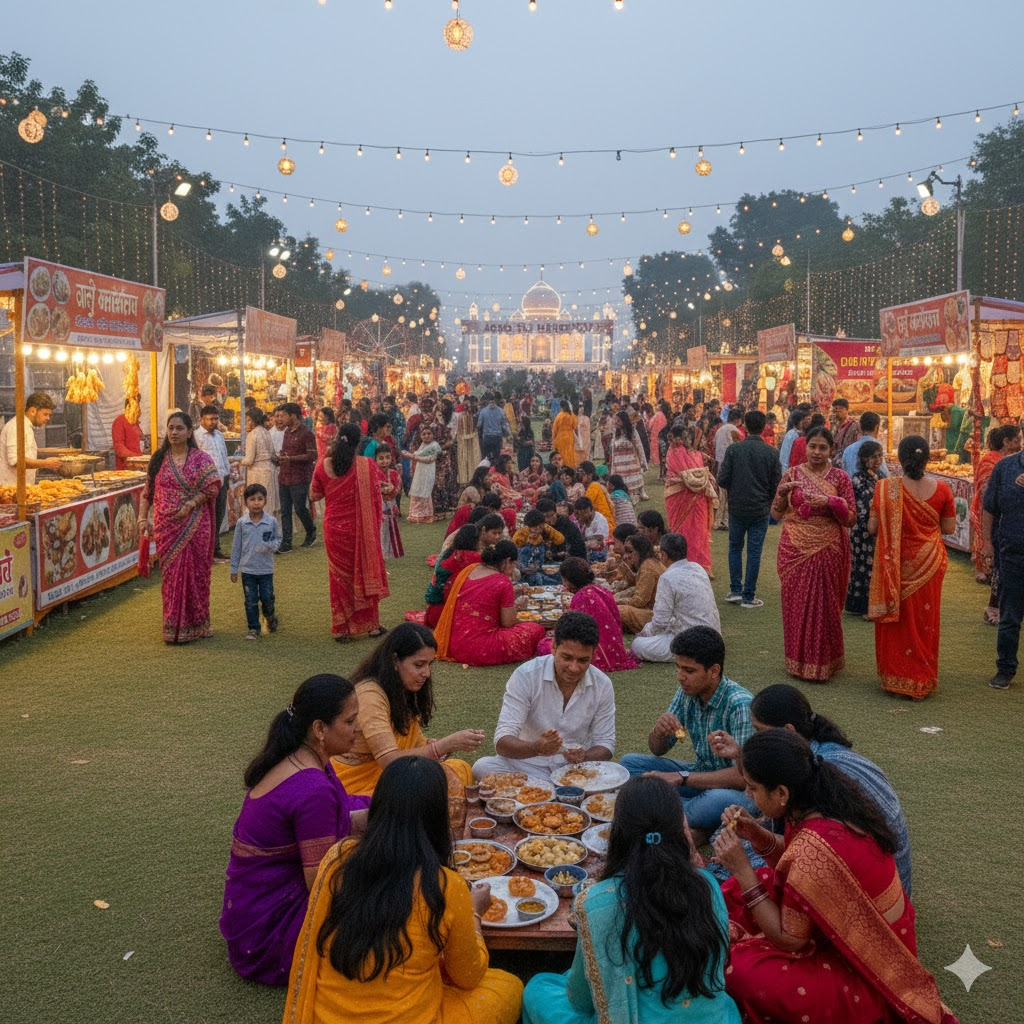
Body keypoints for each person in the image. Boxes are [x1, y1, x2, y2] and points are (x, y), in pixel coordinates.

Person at [712, 731, 958, 1024]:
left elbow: (790, 941)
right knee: (745, 886)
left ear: (781, 793)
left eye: (752, 788)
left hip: (866, 970)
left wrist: (741, 869)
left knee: (741, 972)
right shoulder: (825, 803)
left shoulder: (813, 845)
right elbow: (794, 861)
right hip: (849, 929)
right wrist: (757, 834)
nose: (747, 796)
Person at [285, 757, 523, 1024]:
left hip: (329, 1017)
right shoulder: (446, 884)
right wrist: (474, 913)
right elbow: (468, 976)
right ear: (437, 816)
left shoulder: (338, 859)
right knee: (508, 987)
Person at [522, 776, 740, 1024]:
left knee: (539, 987)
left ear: (618, 834)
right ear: (681, 831)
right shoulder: (708, 885)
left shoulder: (596, 902)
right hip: (714, 1019)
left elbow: (579, 1000)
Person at [220, 674, 370, 986]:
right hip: (271, 937)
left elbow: (338, 822)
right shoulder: (312, 788)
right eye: (350, 720)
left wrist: (390, 811)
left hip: (250, 915)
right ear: (319, 729)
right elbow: (321, 881)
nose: (359, 729)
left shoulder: (304, 760)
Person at [709, 683, 913, 895]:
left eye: (760, 731)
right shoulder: (817, 761)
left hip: (867, 899)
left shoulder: (815, 788)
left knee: (731, 885)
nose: (748, 794)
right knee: (731, 843)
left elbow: (787, 926)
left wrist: (743, 870)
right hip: (880, 886)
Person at [622, 626, 756, 841]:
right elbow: (658, 749)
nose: (680, 677)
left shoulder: (740, 705)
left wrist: (679, 778)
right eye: (679, 668)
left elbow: (743, 777)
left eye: (689, 670)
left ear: (713, 671)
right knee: (630, 764)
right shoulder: (688, 693)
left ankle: (667, 814)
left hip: (737, 791)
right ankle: (695, 824)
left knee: (717, 800)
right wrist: (659, 732)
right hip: (699, 775)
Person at [331, 623, 481, 796]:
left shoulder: (400, 688)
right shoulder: (370, 695)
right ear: (395, 661)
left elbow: (413, 743)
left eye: (429, 665)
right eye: (419, 665)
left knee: (460, 769)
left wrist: (430, 747)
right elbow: (389, 762)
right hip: (359, 784)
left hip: (391, 775)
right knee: (430, 789)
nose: (426, 673)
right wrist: (443, 746)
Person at [472, 611, 616, 779]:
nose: (574, 668)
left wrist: (585, 756)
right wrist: (536, 748)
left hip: (574, 770)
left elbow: (605, 744)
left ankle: (543, 795)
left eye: (583, 660)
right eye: (567, 658)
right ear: (553, 647)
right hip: (527, 764)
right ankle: (554, 794)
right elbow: (502, 742)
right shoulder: (526, 675)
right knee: (482, 767)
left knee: (614, 775)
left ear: (593, 654)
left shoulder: (602, 684)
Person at [868, 435, 956, 699]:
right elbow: (949, 529)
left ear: (900, 459)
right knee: (923, 622)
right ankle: (921, 679)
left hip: (894, 566)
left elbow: (872, 528)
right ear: (927, 458)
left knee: (897, 621)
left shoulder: (884, 488)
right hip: (930, 565)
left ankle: (895, 679)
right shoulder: (942, 489)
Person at [771, 426, 855, 681]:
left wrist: (832, 502)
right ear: (805, 447)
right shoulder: (792, 474)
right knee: (795, 603)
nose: (817, 452)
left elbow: (851, 519)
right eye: (812, 446)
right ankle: (797, 661)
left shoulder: (840, 478)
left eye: (822, 448)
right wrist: (783, 494)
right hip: (794, 547)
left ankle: (822, 663)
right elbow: (775, 514)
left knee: (825, 606)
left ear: (831, 450)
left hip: (828, 546)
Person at [137, 412, 221, 643]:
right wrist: (142, 518)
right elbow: (148, 492)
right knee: (171, 577)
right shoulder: (158, 459)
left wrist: (192, 503)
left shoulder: (201, 459)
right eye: (170, 428)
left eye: (179, 428)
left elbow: (213, 487)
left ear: (189, 431)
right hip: (167, 528)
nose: (174, 432)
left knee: (195, 576)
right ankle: (173, 628)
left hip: (195, 525)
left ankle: (197, 625)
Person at [310, 423, 389, 642]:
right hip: (361, 528)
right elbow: (377, 496)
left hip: (335, 529)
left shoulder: (323, 465)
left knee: (339, 578)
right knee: (365, 570)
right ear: (358, 443)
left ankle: (341, 628)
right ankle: (372, 626)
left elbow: (314, 495)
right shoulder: (367, 466)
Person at [434, 540, 548, 666]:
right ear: (507, 561)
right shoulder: (503, 581)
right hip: (481, 648)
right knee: (536, 629)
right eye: (514, 564)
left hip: (453, 643)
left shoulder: (469, 569)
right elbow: (508, 623)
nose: (514, 568)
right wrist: (518, 611)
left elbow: (483, 601)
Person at [717, 410, 782, 609]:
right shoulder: (771, 452)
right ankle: (748, 595)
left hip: (737, 507)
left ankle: (736, 590)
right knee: (754, 551)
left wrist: (737, 489)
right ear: (763, 428)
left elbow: (722, 479)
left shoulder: (734, 450)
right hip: (760, 508)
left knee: (735, 547)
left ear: (744, 425)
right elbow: (775, 484)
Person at [537, 558, 640, 672]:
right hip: (615, 651)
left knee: (544, 644)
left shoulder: (581, 597)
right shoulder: (601, 590)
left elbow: (573, 632)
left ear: (568, 580)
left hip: (591, 654)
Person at [631, 534, 720, 663]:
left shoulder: (667, 578)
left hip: (691, 644)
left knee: (637, 644)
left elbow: (660, 623)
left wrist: (645, 632)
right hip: (714, 639)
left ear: (664, 555)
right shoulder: (699, 569)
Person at [983, 427, 1024, 690]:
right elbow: (989, 507)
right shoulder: (1005, 468)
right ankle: (1005, 669)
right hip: (1012, 553)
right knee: (1010, 616)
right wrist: (986, 543)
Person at [229, 483, 281, 639]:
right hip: (248, 570)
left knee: (267, 598)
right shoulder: (241, 523)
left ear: (265, 501)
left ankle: (270, 617)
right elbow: (236, 547)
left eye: (260, 499)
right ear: (246, 502)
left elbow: (278, 540)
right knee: (250, 600)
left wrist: (270, 546)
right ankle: (253, 628)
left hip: (266, 570)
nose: (256, 503)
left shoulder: (271, 521)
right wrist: (233, 569)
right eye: (252, 499)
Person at [664, 425, 715, 577]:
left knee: (699, 530)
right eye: (676, 437)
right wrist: (704, 474)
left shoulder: (696, 454)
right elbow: (688, 474)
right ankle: (683, 562)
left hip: (696, 497)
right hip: (679, 496)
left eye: (682, 437)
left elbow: (695, 473)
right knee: (683, 530)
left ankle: (702, 564)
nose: (679, 440)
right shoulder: (675, 452)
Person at [844, 439, 883, 616]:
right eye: (874, 457)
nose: (878, 460)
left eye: (880, 456)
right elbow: (854, 505)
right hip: (860, 530)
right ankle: (858, 605)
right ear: (864, 459)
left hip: (877, 530)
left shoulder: (881, 478)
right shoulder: (857, 479)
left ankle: (872, 604)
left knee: (874, 567)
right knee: (860, 566)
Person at [277, 402, 318, 551]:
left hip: (299, 477)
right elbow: (287, 452)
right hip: (284, 476)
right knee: (285, 510)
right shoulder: (287, 432)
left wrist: (291, 458)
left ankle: (311, 530)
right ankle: (286, 542)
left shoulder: (306, 433)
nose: (281, 419)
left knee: (300, 508)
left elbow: (313, 455)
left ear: (292, 416)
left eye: (284, 415)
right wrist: (282, 457)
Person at [193, 404, 231, 561]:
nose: (213, 422)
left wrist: (227, 476)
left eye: (216, 418)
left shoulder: (219, 436)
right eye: (210, 419)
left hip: (222, 479)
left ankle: (215, 549)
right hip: (206, 484)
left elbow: (223, 456)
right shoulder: (196, 436)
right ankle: (204, 552)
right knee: (206, 518)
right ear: (201, 419)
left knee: (219, 516)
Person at [425, 524, 482, 628]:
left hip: (435, 613)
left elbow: (431, 594)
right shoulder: (478, 559)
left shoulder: (447, 555)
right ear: (476, 541)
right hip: (459, 616)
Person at [0, 391, 61, 485]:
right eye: (45, 414)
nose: (48, 418)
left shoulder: (25, 426)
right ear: (32, 411)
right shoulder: (16, 427)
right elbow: (15, 461)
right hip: (10, 490)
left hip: (22, 488)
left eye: (49, 415)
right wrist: (45, 463)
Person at [616, 533, 666, 634]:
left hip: (656, 615)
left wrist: (616, 601)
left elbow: (639, 601)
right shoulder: (648, 563)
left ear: (640, 551)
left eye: (630, 551)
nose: (626, 556)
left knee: (620, 610)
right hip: (653, 611)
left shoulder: (648, 568)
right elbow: (636, 585)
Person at [240, 407, 279, 518]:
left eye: (248, 421)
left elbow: (249, 460)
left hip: (257, 472)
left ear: (253, 420)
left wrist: (237, 460)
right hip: (269, 470)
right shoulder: (266, 432)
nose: (246, 424)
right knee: (267, 501)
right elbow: (272, 454)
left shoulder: (253, 435)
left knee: (256, 502)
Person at [404, 423, 442, 524]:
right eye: (424, 434)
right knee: (418, 488)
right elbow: (417, 454)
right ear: (420, 436)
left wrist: (412, 457)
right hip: (420, 470)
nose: (426, 436)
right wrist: (412, 456)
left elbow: (430, 459)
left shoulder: (434, 446)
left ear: (433, 435)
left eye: (429, 434)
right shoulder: (423, 445)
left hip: (428, 470)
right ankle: (415, 515)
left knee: (425, 489)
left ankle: (426, 515)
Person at [712, 409, 744, 530]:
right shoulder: (736, 431)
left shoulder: (720, 430)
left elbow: (714, 446)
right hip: (733, 466)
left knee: (721, 495)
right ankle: (726, 521)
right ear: (737, 419)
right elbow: (740, 449)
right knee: (730, 496)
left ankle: (717, 521)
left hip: (721, 465)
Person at [609, 410, 647, 501]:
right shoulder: (616, 432)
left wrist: (643, 462)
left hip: (631, 461)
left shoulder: (632, 431)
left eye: (619, 420)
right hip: (619, 462)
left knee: (634, 479)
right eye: (616, 420)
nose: (616, 423)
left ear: (624, 420)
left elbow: (639, 446)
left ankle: (638, 493)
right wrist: (613, 466)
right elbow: (613, 449)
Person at [841, 410, 890, 479]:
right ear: (877, 427)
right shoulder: (876, 447)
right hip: (869, 488)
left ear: (860, 427)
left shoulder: (848, 449)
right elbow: (885, 475)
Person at [375, 446, 404, 559]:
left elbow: (396, 489)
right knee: (379, 529)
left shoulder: (394, 474)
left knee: (388, 528)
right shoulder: (372, 473)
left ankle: (386, 552)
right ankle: (379, 553)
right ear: (375, 459)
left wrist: (389, 489)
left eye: (387, 457)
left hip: (389, 504)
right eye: (381, 458)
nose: (385, 461)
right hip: (377, 505)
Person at [579, 460, 616, 529]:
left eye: (583, 474)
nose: (580, 477)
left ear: (590, 475)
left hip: (604, 526)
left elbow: (583, 506)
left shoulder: (594, 486)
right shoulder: (595, 486)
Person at [573, 496, 610, 563]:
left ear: (591, 509)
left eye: (585, 512)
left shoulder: (599, 520)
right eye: (580, 513)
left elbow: (598, 539)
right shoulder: (583, 520)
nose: (583, 515)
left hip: (599, 554)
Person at [111, 397, 143, 470]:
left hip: (138, 467)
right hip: (125, 469)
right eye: (136, 406)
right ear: (128, 407)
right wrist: (136, 458)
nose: (138, 409)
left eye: (138, 405)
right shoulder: (119, 421)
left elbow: (140, 442)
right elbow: (119, 447)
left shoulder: (135, 422)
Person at [478, 393, 509, 465]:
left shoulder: (483, 411)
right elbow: (505, 425)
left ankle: (487, 471)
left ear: (488, 401)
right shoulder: (501, 411)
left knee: (486, 457)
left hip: (487, 437)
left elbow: (479, 425)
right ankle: (495, 472)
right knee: (497, 456)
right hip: (497, 437)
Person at [829, 397, 861, 465]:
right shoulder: (834, 425)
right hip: (836, 461)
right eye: (835, 411)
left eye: (840, 411)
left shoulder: (855, 425)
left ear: (847, 410)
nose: (837, 413)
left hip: (849, 460)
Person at [552, 399, 580, 469]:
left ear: (561, 406)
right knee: (570, 453)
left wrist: (553, 439)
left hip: (560, 437)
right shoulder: (572, 415)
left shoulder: (559, 416)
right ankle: (570, 467)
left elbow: (555, 429)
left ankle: (562, 468)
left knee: (561, 454)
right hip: (569, 436)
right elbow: (575, 427)